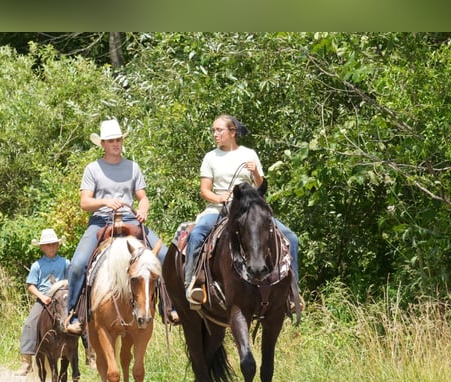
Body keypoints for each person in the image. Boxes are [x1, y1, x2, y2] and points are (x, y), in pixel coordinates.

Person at [64, 119, 169, 335]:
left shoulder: (133, 167)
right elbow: (85, 203)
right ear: (102, 144)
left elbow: (143, 196)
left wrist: (144, 209)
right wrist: (105, 202)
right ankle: (73, 314)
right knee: (77, 265)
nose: (116, 144)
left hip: (131, 220)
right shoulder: (93, 169)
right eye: (111, 141)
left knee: (166, 255)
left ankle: (169, 307)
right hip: (102, 221)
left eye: (119, 139)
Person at [184, 114, 299, 306]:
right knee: (196, 234)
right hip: (218, 208)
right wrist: (219, 197)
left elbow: (261, 186)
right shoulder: (210, 157)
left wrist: (255, 172)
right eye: (213, 130)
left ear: (232, 132)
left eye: (219, 130)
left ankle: (292, 290)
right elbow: (204, 191)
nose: (215, 134)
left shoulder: (249, 154)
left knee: (291, 238)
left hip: (248, 208)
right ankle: (193, 284)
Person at [15, 228, 70, 376]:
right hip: (44, 299)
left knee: (80, 319)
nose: (51, 247)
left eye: (53, 244)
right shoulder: (37, 265)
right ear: (42, 247)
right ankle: (26, 361)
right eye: (47, 245)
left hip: (62, 299)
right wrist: (41, 296)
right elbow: (31, 285)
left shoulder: (65, 262)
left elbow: (71, 280)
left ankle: (90, 354)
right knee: (30, 322)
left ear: (58, 245)